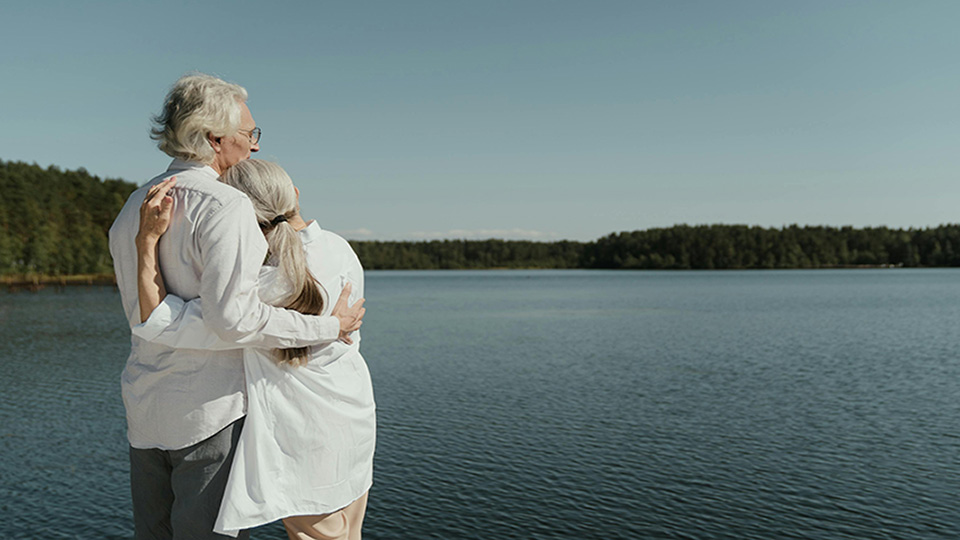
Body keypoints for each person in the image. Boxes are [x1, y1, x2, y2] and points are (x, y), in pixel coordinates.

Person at [109, 74, 364, 540]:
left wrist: (158, 312)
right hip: (211, 411)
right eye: (249, 134)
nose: (255, 146)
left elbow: (144, 313)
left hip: (144, 408)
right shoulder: (227, 205)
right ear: (214, 139)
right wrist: (328, 326)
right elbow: (236, 319)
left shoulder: (133, 205)